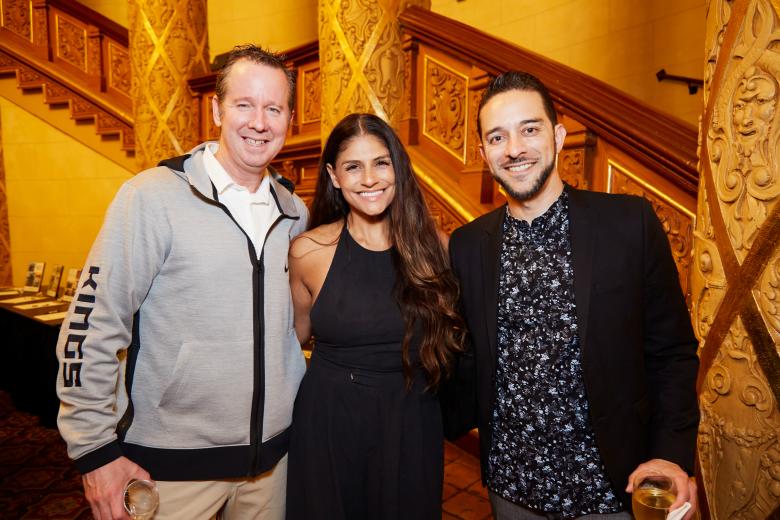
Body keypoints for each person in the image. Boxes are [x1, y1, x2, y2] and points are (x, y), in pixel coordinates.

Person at [55, 44, 308, 520]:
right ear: (215, 109)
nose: (259, 122)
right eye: (244, 105)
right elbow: (92, 322)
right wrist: (94, 452)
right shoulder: (152, 197)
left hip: (273, 466)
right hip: (166, 470)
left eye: (273, 108)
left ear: (289, 118)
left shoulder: (294, 212)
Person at [448, 71, 700, 519]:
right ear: (485, 154)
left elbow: (673, 353)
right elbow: (463, 355)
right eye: (497, 137)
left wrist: (669, 454)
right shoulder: (468, 245)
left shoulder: (629, 225)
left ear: (558, 136)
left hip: (609, 489)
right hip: (511, 488)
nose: (515, 148)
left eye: (530, 129)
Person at [285, 113, 464, 519]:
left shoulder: (439, 249)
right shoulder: (308, 252)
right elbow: (293, 340)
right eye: (353, 166)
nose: (369, 178)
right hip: (329, 422)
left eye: (381, 163)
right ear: (334, 176)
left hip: (411, 421)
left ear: (398, 168)